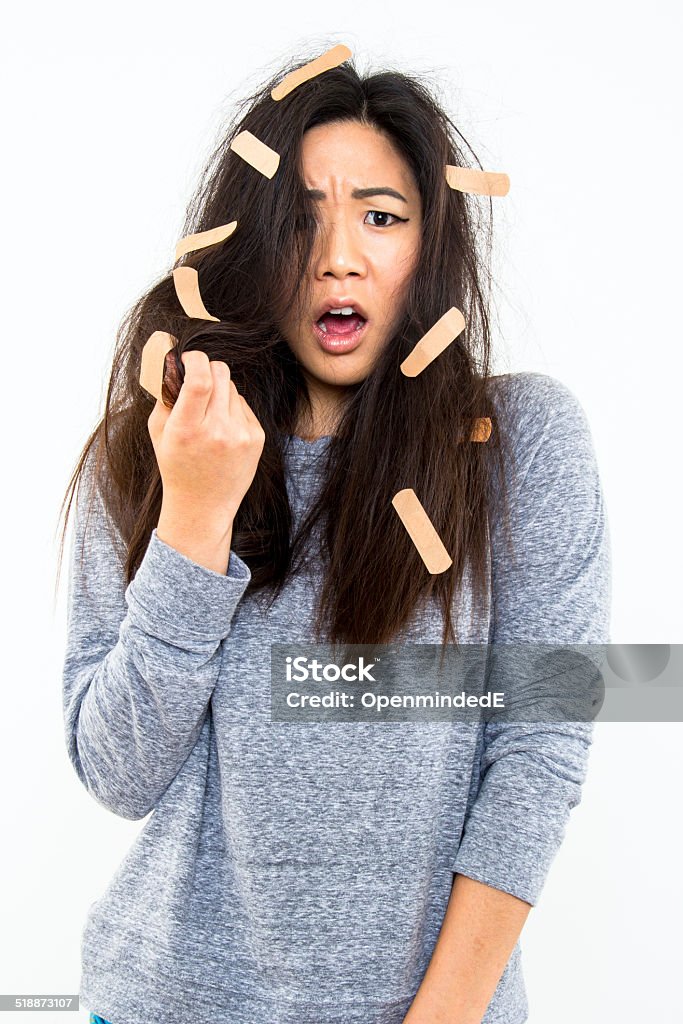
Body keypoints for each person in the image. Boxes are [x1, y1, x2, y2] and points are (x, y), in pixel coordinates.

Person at [58, 50, 611, 1024]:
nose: (338, 256)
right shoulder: (157, 443)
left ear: (430, 245)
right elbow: (118, 773)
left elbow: (539, 750)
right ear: (249, 243)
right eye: (300, 218)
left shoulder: (519, 444)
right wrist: (193, 519)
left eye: (381, 216)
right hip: (165, 999)